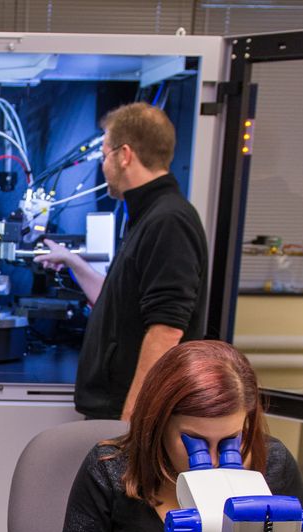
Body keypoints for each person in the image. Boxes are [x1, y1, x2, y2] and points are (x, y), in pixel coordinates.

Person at [56, 340, 303, 532]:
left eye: (230, 441)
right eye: (194, 441)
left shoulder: (272, 462)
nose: (214, 458)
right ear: (158, 425)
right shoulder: (110, 467)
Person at [35, 103, 207, 421]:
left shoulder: (168, 220)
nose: (103, 165)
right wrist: (74, 263)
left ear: (124, 155)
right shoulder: (147, 217)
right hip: (113, 410)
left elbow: (167, 329)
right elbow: (118, 302)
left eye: (104, 154)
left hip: (128, 415)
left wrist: (133, 420)